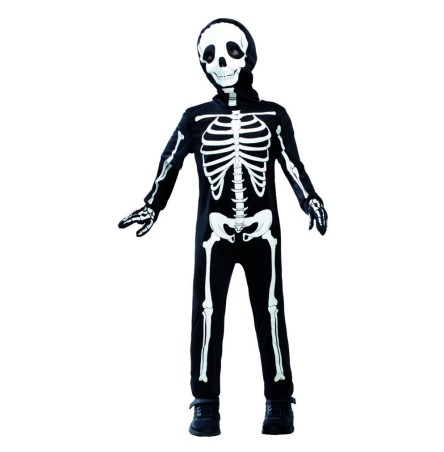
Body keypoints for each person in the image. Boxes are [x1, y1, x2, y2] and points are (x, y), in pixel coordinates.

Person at [118, 18, 328, 436]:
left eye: (232, 52)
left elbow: (291, 163)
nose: (222, 64)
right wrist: (152, 205)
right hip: (213, 231)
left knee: (271, 309)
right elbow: (170, 162)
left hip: (263, 228)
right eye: (210, 56)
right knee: (206, 311)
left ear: (248, 56)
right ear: (203, 65)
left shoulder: (273, 115)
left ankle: (279, 400)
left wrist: (310, 198)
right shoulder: (195, 118)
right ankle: (205, 403)